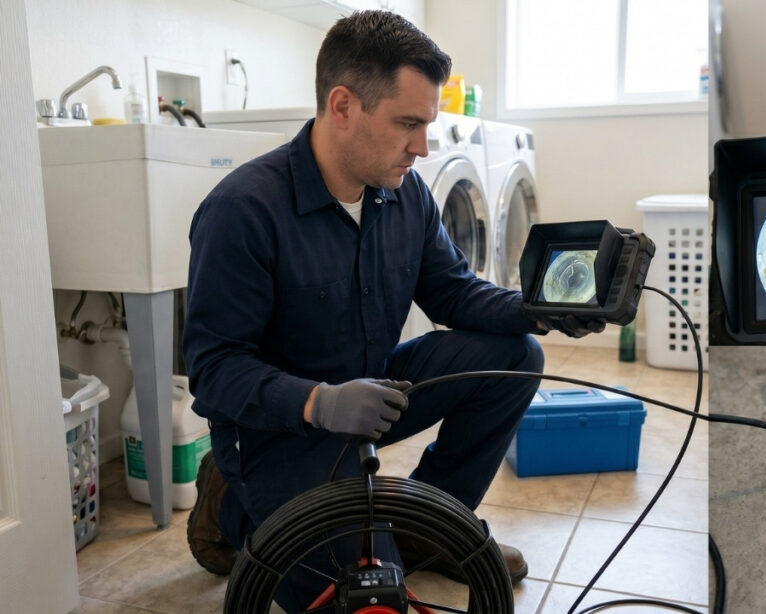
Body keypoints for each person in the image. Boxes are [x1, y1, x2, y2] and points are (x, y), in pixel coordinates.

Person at [182, 10, 602, 612]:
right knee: (362, 599)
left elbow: (453, 292)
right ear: (343, 106)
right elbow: (214, 368)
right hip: (280, 431)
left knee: (515, 356)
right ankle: (230, 499)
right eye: (408, 124)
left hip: (373, 395)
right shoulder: (244, 211)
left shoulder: (405, 196)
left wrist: (535, 311)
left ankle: (427, 528)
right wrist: (319, 402)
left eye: (426, 126)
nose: (421, 147)